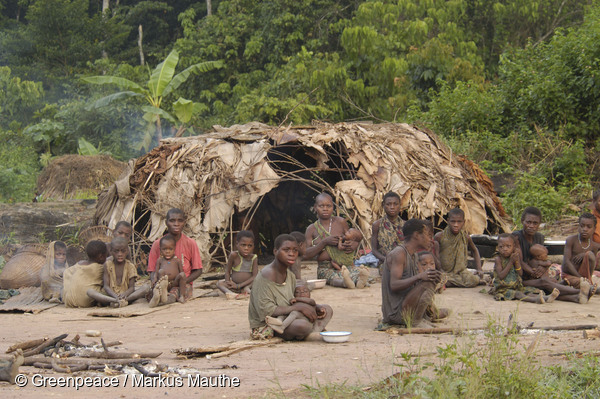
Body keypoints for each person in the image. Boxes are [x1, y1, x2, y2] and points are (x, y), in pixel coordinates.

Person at [248, 234, 332, 340]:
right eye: (286, 250)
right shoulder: (266, 276)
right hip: (269, 323)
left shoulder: (290, 276)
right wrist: (298, 308)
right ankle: (309, 332)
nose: (291, 254)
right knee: (302, 325)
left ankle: (310, 332)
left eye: (295, 250)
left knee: (327, 309)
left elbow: (292, 300)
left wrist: (315, 307)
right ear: (275, 251)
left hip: (289, 316)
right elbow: (266, 311)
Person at [513, 206, 591, 303]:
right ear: (522, 221)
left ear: (539, 224)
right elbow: (519, 262)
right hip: (521, 277)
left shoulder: (539, 237)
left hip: (536, 274)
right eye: (528, 222)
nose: (531, 226)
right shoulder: (516, 237)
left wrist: (543, 267)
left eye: (535, 223)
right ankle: (580, 292)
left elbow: (542, 257)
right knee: (545, 282)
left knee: (549, 285)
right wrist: (534, 273)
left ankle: (576, 298)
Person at [381, 219, 449, 328]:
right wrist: (419, 277)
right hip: (396, 314)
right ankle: (416, 321)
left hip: (406, 307)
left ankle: (423, 316)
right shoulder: (399, 253)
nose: (430, 239)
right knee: (428, 281)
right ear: (417, 235)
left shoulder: (413, 255)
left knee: (431, 277)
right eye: (427, 235)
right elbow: (394, 285)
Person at [304, 193, 369, 289]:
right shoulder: (311, 229)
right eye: (321, 206)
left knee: (354, 272)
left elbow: (353, 238)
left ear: (333, 207)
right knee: (331, 277)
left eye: (328, 206)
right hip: (325, 267)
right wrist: (324, 242)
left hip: (344, 264)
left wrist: (353, 245)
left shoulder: (341, 222)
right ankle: (344, 283)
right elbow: (306, 254)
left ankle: (359, 281)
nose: (325, 209)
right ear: (315, 207)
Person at [147, 208, 203, 300]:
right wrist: (155, 282)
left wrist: (182, 281)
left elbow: (198, 270)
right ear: (166, 222)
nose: (176, 224)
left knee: (173, 296)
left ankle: (165, 299)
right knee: (150, 292)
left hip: (183, 285)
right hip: (162, 284)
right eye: (172, 221)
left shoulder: (190, 243)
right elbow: (152, 270)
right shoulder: (157, 244)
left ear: (184, 222)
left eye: (180, 221)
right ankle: (159, 297)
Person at [490, 234, 558, 303]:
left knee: (528, 292)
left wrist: (516, 262)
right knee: (518, 294)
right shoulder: (498, 259)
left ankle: (546, 298)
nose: (505, 249)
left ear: (513, 247)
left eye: (508, 246)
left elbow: (520, 273)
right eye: (501, 247)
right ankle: (535, 300)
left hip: (516, 286)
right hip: (503, 288)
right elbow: (501, 276)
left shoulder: (514, 257)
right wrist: (511, 262)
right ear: (497, 247)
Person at [86, 237, 149, 307]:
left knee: (146, 287)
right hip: (111, 296)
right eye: (116, 251)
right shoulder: (107, 264)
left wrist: (125, 294)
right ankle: (117, 301)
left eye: (123, 251)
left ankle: (122, 301)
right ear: (111, 251)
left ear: (127, 251)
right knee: (90, 292)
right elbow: (106, 286)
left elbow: (131, 288)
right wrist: (115, 296)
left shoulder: (130, 266)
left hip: (126, 295)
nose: (120, 254)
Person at [434, 208, 483, 287]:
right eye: (453, 221)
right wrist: (439, 269)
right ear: (448, 221)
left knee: (473, 280)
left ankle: (450, 283)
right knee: (439, 278)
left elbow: (474, 250)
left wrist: (479, 269)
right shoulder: (440, 236)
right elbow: (432, 254)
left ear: (463, 222)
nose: (456, 225)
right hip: (444, 271)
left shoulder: (466, 237)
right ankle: (452, 282)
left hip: (461, 272)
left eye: (459, 222)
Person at [63, 240, 108, 308]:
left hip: (68, 301)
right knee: (107, 287)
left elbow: (66, 272)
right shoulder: (99, 268)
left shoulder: (79, 264)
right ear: (101, 256)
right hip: (84, 302)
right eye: (106, 255)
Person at [562, 213, 600, 289]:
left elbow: (591, 265)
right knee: (576, 283)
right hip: (569, 275)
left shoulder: (595, 246)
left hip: (585, 278)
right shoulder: (571, 240)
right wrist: (579, 278)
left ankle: (586, 285)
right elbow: (566, 262)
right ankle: (586, 286)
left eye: (589, 227)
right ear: (578, 227)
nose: (585, 229)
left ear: (594, 229)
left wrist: (585, 254)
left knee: (590, 255)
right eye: (582, 226)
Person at [217, 230, 258, 300]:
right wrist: (228, 282)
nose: (246, 248)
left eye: (250, 246)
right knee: (219, 283)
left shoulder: (254, 258)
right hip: (234, 284)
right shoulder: (234, 255)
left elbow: (254, 276)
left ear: (253, 246)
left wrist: (239, 286)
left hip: (248, 284)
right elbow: (227, 271)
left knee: (258, 280)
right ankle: (231, 293)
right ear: (237, 244)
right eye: (243, 245)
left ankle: (246, 290)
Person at [149, 234, 188, 306]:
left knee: (182, 275)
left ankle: (182, 296)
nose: (167, 251)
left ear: (174, 249)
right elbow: (156, 272)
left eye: (170, 249)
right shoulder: (160, 260)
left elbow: (181, 272)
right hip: (164, 282)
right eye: (164, 249)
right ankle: (164, 292)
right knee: (161, 271)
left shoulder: (177, 260)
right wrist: (154, 279)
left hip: (174, 282)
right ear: (160, 250)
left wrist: (183, 280)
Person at [371, 192, 404, 267]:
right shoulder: (377, 225)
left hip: (403, 263)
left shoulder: (405, 225)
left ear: (400, 205)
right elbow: (374, 250)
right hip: (385, 263)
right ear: (383, 205)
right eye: (388, 204)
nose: (392, 207)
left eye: (395, 204)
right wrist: (386, 259)